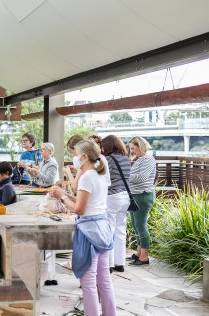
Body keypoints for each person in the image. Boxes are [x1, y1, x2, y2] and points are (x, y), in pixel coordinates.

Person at [50, 140, 116, 316]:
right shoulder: (99, 174)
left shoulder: (87, 177)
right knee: (104, 281)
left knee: (88, 282)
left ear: (84, 156)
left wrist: (62, 197)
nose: (75, 158)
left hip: (89, 231)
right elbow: (85, 201)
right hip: (103, 229)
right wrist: (63, 194)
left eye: (76, 154)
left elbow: (80, 209)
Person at [101, 135, 131, 273]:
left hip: (112, 196)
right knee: (120, 230)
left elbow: (103, 177)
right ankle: (120, 263)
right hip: (125, 196)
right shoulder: (126, 159)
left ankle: (109, 265)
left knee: (109, 230)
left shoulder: (108, 160)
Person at [127, 136, 156, 266]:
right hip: (136, 195)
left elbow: (142, 178)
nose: (132, 151)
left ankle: (144, 257)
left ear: (140, 146)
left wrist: (124, 175)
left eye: (133, 148)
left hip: (143, 195)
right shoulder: (141, 159)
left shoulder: (148, 159)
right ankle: (139, 253)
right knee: (136, 225)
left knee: (141, 226)